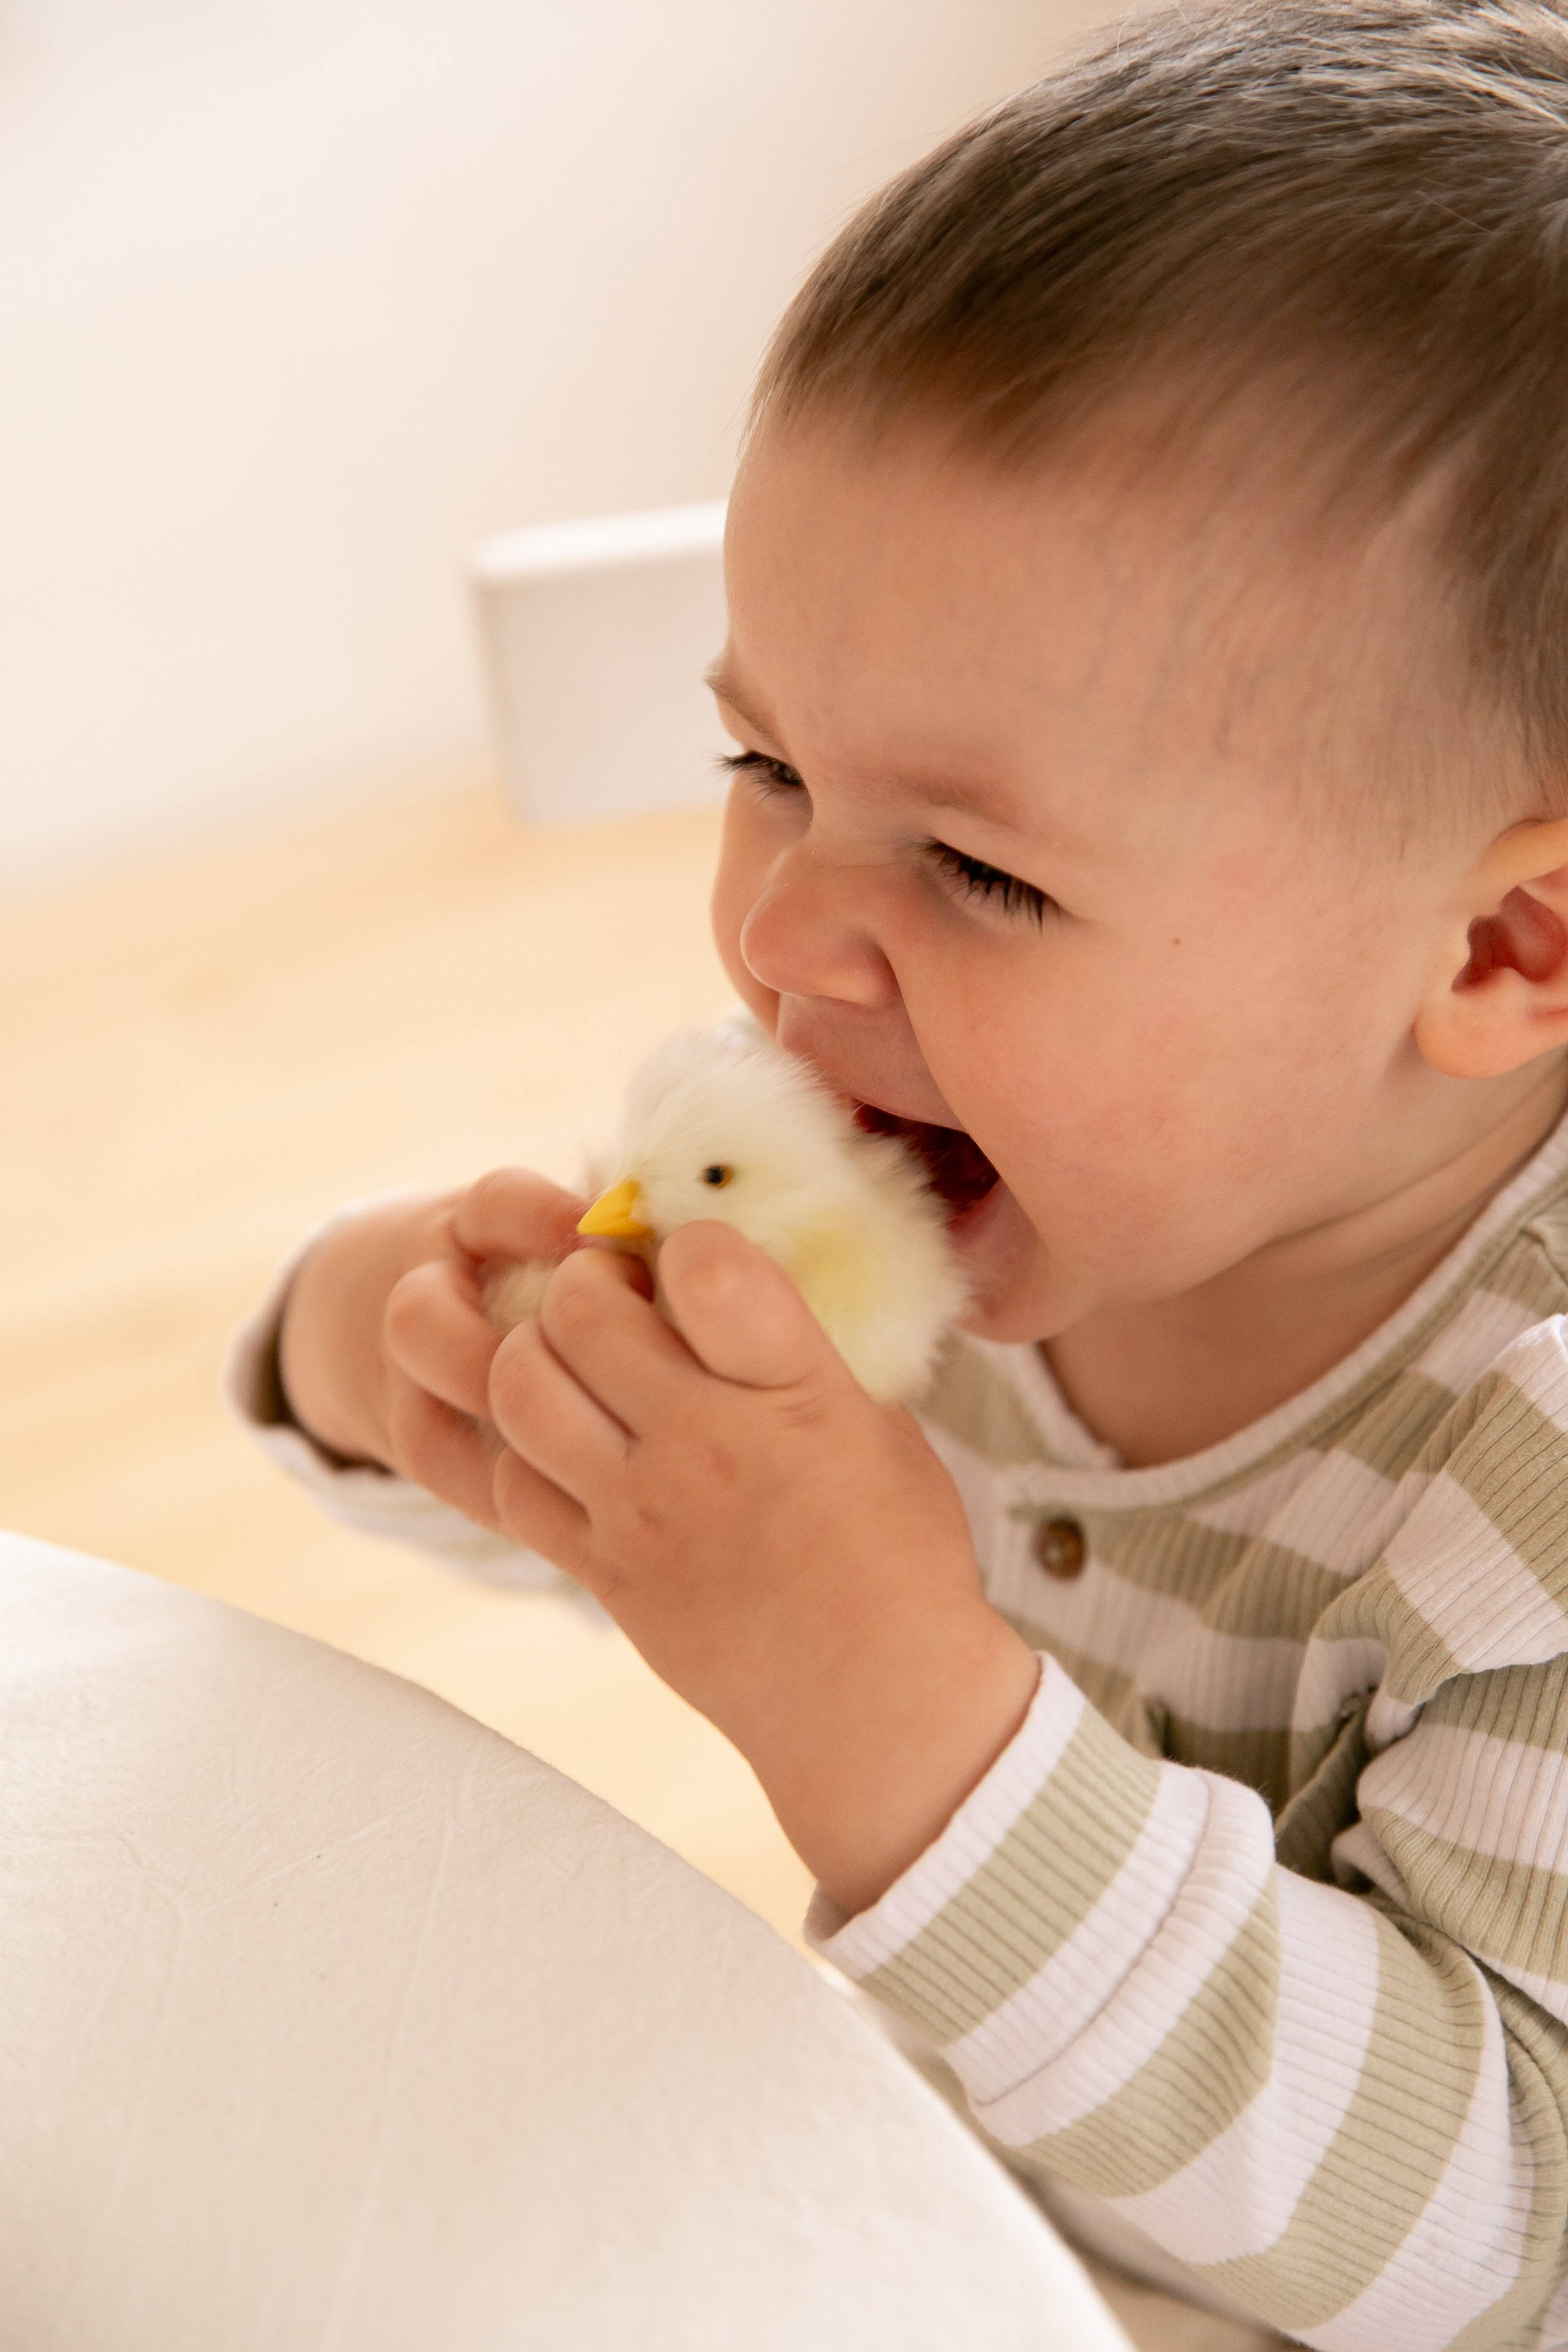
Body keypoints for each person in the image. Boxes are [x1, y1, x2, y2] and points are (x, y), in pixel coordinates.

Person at [230, 6, 1568, 2345]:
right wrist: (396, 1349)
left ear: (1502, 946)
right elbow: (693, 1516)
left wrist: (886, 1702)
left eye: (974, 865)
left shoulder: (1533, 1456)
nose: (777, 933)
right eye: (764, 764)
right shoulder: (973, 1175)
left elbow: (1502, 2233)